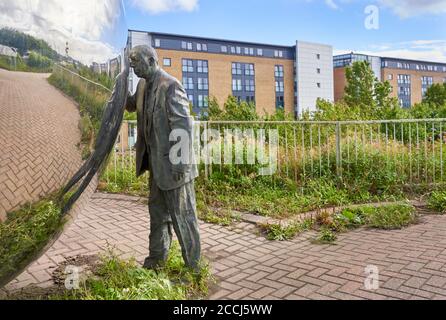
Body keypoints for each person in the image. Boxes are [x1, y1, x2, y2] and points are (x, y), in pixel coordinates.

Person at [126, 45, 200, 270]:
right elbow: (131, 105)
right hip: (157, 167)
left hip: (176, 167)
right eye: (131, 63)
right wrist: (117, 87)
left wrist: (181, 164)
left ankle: (194, 268)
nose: (133, 67)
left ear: (150, 61)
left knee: (183, 218)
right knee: (157, 215)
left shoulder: (170, 86)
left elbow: (184, 127)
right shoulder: (141, 86)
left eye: (136, 62)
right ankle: (156, 261)